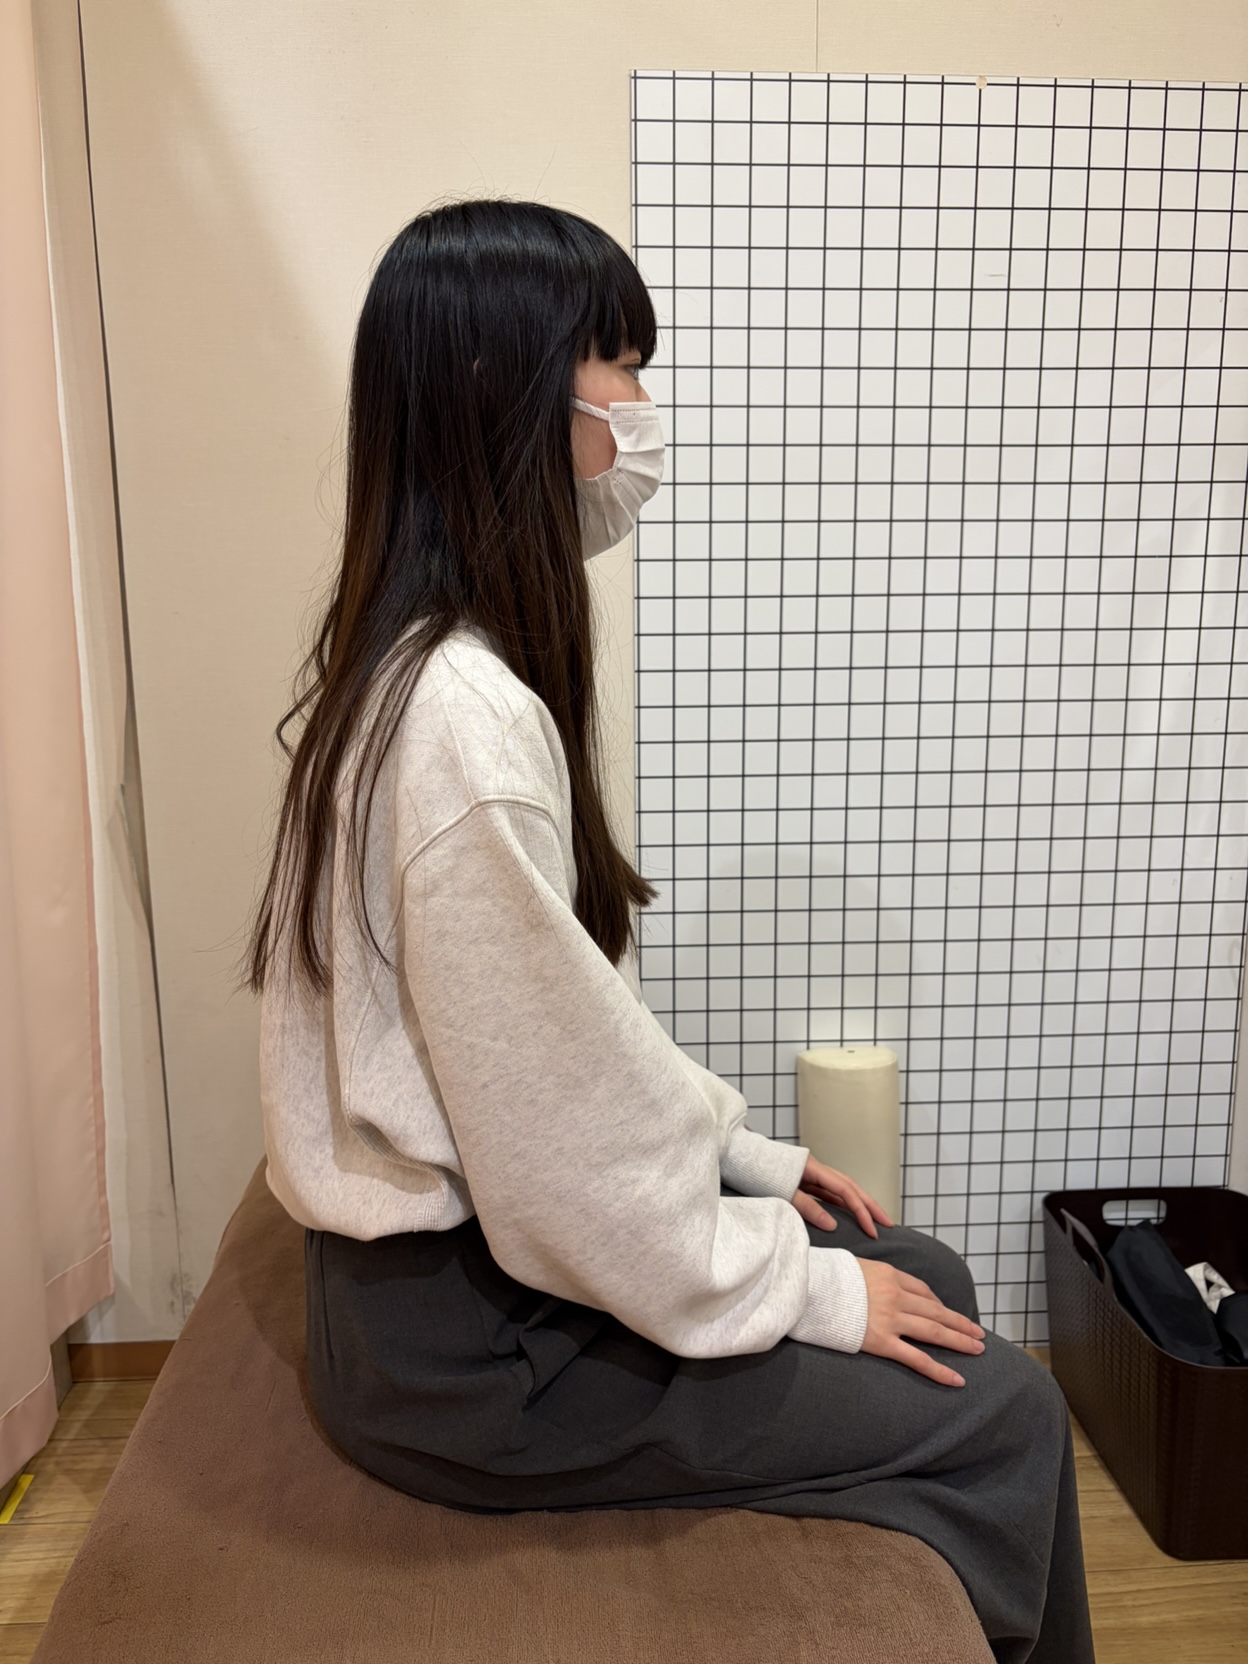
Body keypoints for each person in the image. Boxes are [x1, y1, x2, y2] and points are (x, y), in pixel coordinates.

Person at [241, 197, 1095, 1664]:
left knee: (932, 1283)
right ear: (506, 392)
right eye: (622, 365)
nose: (642, 409)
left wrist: (741, 1158)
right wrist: (799, 1285)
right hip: (470, 1357)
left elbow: (560, 1049)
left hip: (458, 1303)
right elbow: (558, 1158)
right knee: (1009, 1408)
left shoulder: (424, 674)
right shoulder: (459, 725)